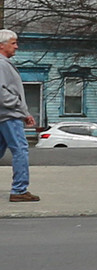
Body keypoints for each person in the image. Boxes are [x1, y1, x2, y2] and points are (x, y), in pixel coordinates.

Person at [0, 30, 39, 202]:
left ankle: (19, 189)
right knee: (21, 150)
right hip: (8, 115)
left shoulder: (4, 64)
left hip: (6, 114)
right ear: (2, 45)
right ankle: (19, 190)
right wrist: (17, 105)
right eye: (13, 43)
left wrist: (24, 113)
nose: (17, 46)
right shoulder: (1, 64)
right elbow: (2, 93)